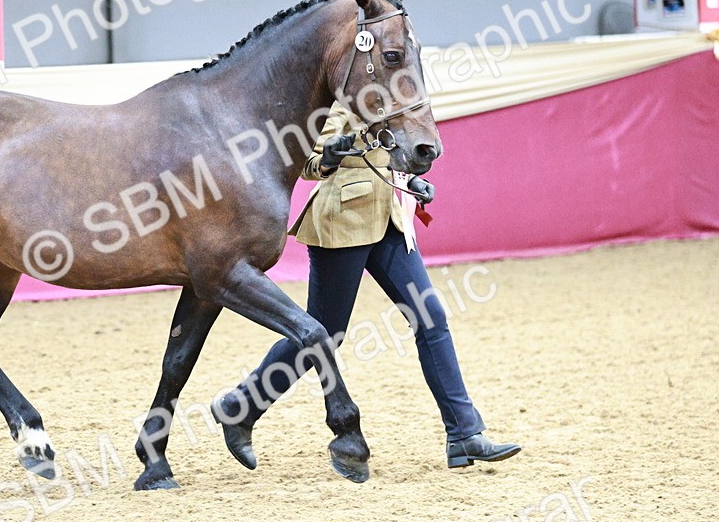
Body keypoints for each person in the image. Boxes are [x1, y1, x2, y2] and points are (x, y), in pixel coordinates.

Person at [213, 103, 520, 471]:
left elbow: (387, 155)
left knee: (430, 316)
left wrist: (409, 182)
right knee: (325, 334)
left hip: (387, 218)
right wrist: (329, 157)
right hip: (342, 221)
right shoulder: (335, 102)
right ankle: (240, 407)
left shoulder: (388, 101)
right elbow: (308, 163)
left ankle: (464, 434)